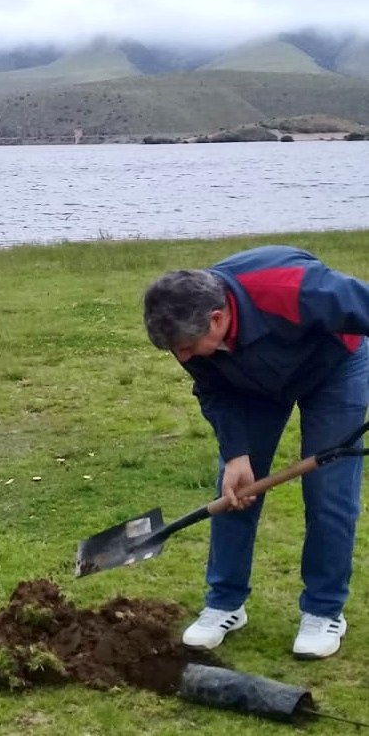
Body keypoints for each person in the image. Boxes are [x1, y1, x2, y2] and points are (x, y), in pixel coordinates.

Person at [143, 245, 368, 660]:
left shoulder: (291, 289)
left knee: (329, 493)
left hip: (333, 368)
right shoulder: (189, 335)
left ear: (217, 318)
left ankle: (324, 611)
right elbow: (213, 391)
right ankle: (225, 603)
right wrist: (235, 453)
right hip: (252, 382)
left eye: (187, 347)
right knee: (233, 492)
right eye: (176, 350)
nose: (183, 357)